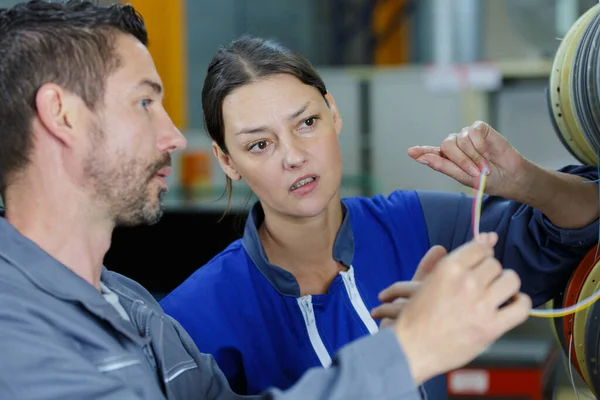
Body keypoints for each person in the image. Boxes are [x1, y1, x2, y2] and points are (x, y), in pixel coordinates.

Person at [0, 1, 533, 399]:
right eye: (144, 102)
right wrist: (406, 351)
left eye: (306, 123)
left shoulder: (134, 309)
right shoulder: (14, 332)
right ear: (61, 115)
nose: (170, 136)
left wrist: (395, 351)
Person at [159, 35, 600, 398]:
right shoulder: (191, 320)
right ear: (227, 161)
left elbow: (570, 229)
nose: (293, 156)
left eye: (307, 122)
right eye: (260, 145)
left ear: (333, 112)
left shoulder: (418, 225)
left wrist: (525, 181)